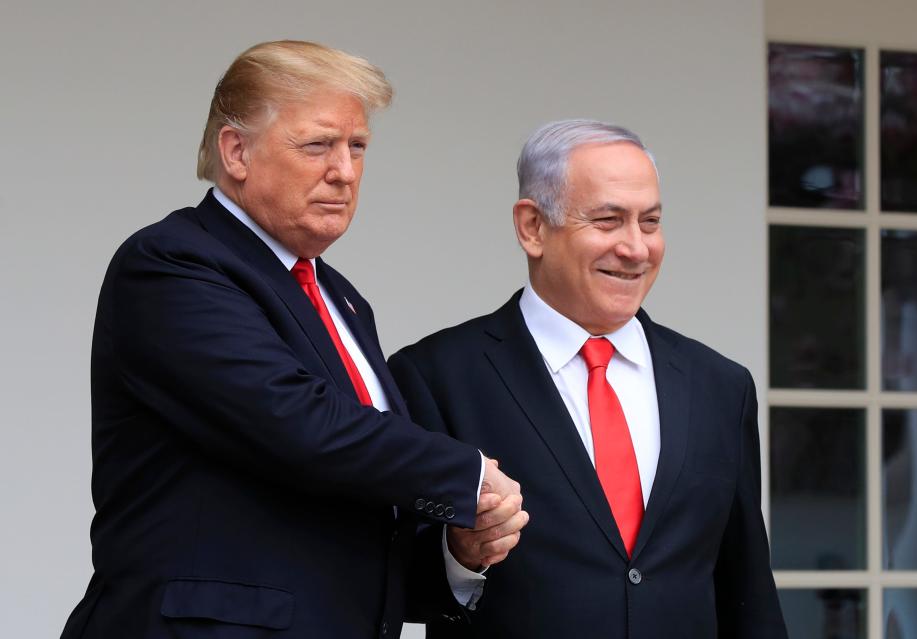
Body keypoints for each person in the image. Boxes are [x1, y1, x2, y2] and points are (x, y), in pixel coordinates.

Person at [59, 40, 526, 639]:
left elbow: (351, 512)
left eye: (357, 147)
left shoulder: (342, 299)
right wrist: (466, 475)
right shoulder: (171, 264)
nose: (345, 171)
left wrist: (456, 551)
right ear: (236, 151)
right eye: (317, 145)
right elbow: (299, 424)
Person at [388, 119, 788, 638]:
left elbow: (747, 590)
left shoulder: (719, 386)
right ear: (532, 227)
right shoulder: (433, 376)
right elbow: (388, 578)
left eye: (650, 222)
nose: (636, 248)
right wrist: (461, 554)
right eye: (608, 220)